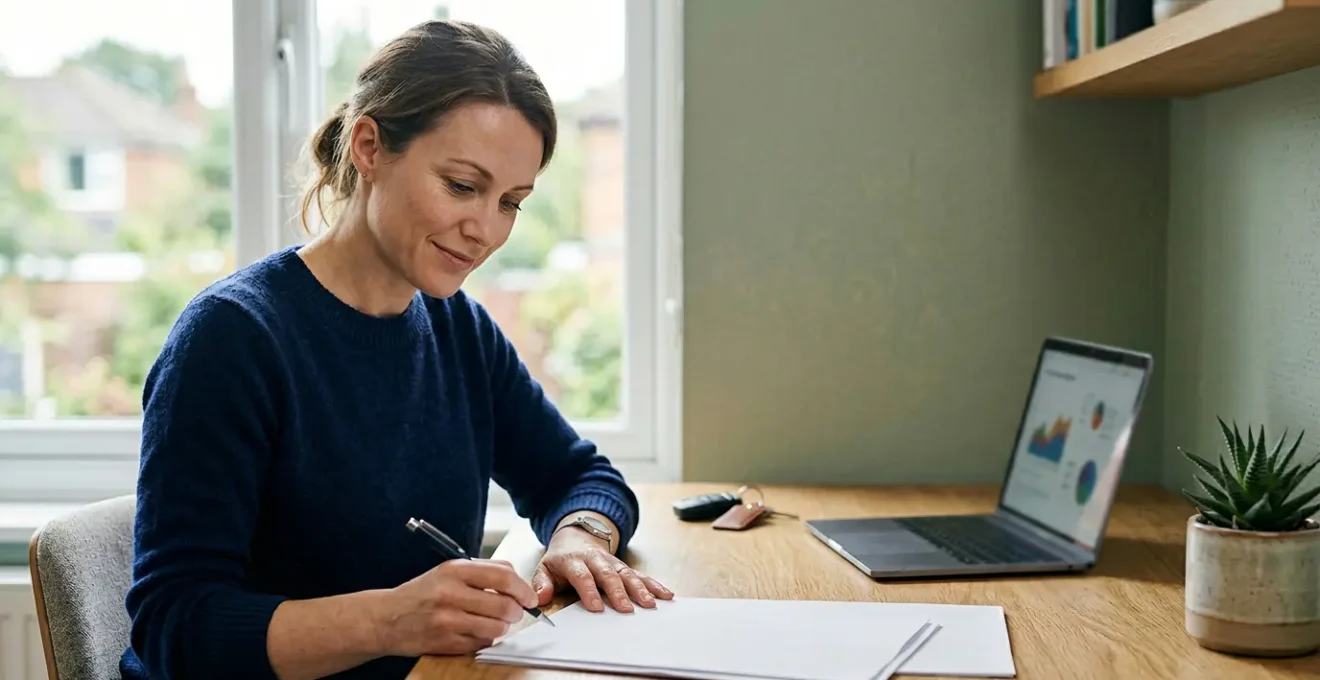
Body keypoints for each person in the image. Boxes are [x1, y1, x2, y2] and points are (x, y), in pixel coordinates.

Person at [119, 19, 672, 680]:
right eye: (463, 186)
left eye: (511, 203)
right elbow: (176, 628)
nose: (486, 230)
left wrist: (582, 537)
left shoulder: (458, 328)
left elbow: (581, 478)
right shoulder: (231, 340)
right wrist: (392, 620)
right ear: (370, 146)